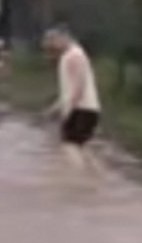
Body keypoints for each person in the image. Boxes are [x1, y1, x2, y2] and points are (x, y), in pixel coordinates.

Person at [42, 26, 103, 169]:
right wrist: (55, 108)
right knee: (81, 147)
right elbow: (69, 89)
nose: (51, 49)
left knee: (70, 146)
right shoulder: (71, 55)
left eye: (52, 43)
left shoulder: (74, 55)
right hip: (85, 108)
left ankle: (77, 179)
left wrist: (68, 111)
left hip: (80, 109)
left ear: (62, 38)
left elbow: (78, 86)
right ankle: (95, 177)